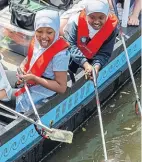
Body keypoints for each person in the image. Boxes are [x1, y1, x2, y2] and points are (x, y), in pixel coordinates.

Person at [0, 9, 70, 113]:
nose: (44, 36)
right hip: (28, 79)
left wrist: (34, 78)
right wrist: (22, 66)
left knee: (2, 94)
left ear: (55, 30)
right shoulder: (37, 41)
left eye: (49, 32)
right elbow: (30, 58)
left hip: (41, 89)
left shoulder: (60, 55)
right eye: (39, 31)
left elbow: (61, 87)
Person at [63, 0, 118, 79]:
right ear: (86, 15)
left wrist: (96, 67)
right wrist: (85, 64)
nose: (96, 21)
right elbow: (71, 45)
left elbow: (105, 53)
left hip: (94, 55)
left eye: (101, 17)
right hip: (74, 55)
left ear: (107, 16)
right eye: (92, 17)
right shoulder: (75, 22)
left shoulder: (111, 29)